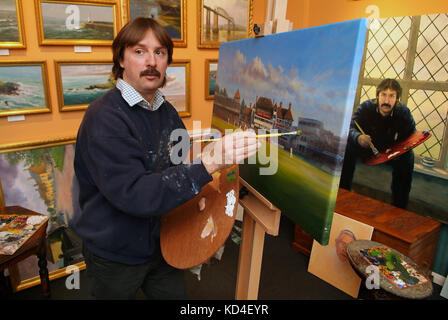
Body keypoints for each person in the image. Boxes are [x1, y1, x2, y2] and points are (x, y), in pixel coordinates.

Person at [70, 17, 259, 300]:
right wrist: (209, 163)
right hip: (116, 254)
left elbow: (180, 165)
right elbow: (137, 194)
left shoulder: (166, 111)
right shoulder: (104, 118)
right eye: (139, 51)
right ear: (121, 59)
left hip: (164, 243)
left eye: (159, 52)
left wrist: (200, 193)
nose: (152, 61)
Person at [340, 78, 416, 209]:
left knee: (409, 157)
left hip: (390, 153)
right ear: (377, 96)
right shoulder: (365, 107)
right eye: (383, 95)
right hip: (366, 148)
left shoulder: (404, 113)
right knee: (347, 147)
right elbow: (349, 128)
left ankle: (399, 206)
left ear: (397, 98)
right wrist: (358, 138)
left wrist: (396, 149)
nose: (386, 101)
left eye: (391, 96)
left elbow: (410, 136)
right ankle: (342, 193)